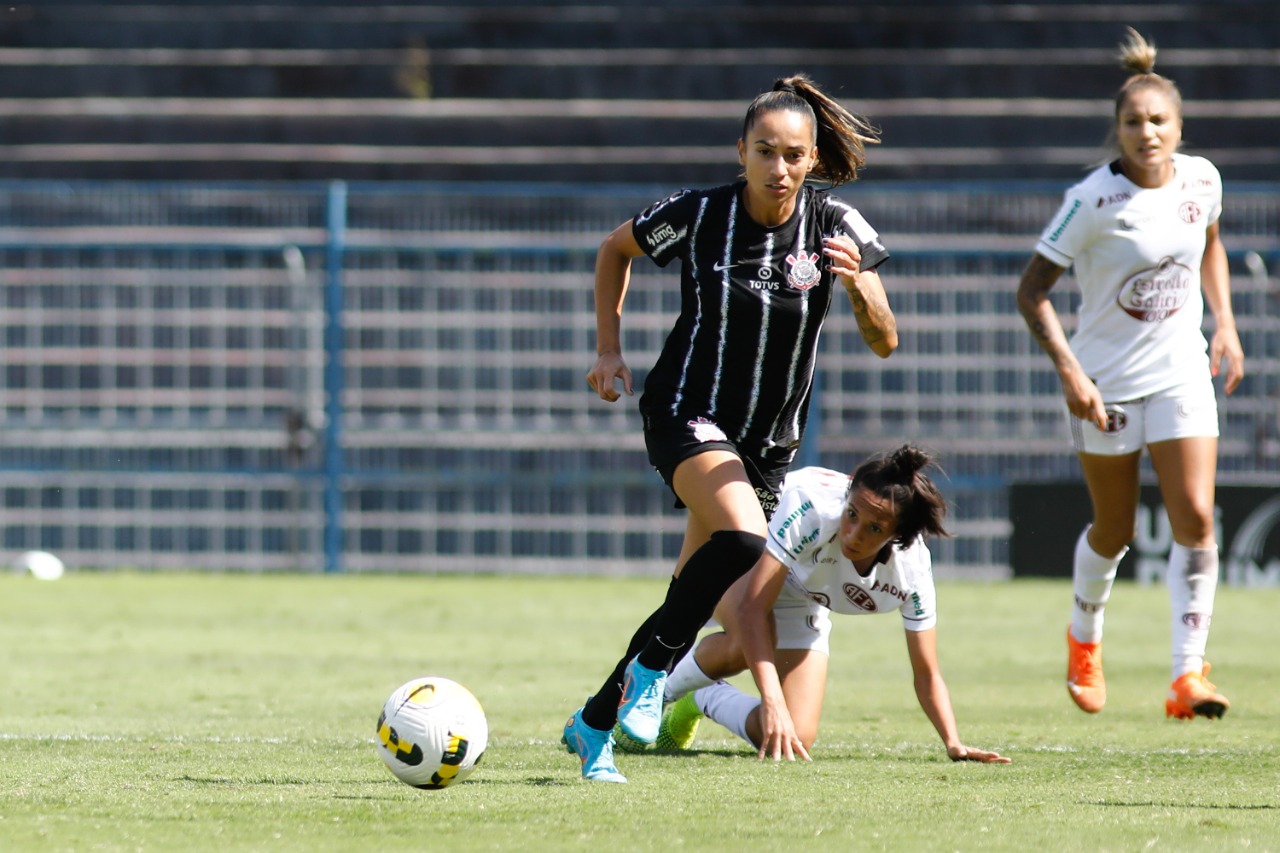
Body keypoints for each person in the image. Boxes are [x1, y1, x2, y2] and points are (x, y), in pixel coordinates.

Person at [561, 73, 899, 783]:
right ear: (740, 150)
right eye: (765, 152)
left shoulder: (841, 227)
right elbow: (612, 250)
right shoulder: (697, 214)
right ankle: (654, 671)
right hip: (686, 408)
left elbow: (885, 340)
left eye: (795, 155)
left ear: (812, 160)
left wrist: (864, 291)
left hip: (768, 446)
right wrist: (607, 348)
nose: (780, 168)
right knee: (745, 542)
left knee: (693, 590)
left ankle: (595, 721)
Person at [1015, 28, 1244, 720]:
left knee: (1197, 516)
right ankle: (1084, 638)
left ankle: (1188, 676)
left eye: (1158, 121)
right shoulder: (1092, 201)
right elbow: (1032, 292)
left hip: (1179, 374)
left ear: (1179, 127)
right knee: (1113, 527)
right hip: (1106, 383)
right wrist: (1071, 373)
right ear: (1117, 130)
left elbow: (1210, 244)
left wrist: (1224, 320)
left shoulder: (1202, 178)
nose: (1147, 133)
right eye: (1134, 122)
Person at [634, 446, 1009, 765]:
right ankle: (650, 697)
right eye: (852, 515)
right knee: (749, 639)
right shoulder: (811, 506)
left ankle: (700, 697)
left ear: (899, 536)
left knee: (794, 737)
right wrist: (772, 698)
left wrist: (953, 742)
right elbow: (751, 610)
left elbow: (927, 673)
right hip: (745, 560)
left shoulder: (912, 572)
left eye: (874, 529)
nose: (853, 533)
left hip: (803, 597)